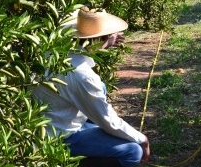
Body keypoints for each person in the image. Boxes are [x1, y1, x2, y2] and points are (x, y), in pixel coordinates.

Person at [30, 7, 150, 167]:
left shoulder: (53, 53)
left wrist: (105, 42)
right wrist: (142, 139)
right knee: (132, 151)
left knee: (100, 88)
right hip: (60, 136)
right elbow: (108, 120)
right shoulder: (82, 75)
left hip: (47, 123)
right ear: (100, 39)